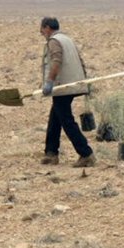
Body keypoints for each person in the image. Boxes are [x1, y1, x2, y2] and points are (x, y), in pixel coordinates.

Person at [39, 17, 96, 167]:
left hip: (62, 87)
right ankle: (51, 153)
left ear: (47, 28)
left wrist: (50, 81)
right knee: (55, 119)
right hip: (71, 85)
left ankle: (86, 154)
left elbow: (56, 61)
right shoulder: (67, 39)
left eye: (42, 29)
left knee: (66, 120)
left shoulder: (54, 41)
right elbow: (80, 61)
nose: (41, 32)